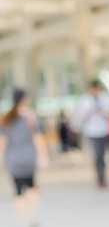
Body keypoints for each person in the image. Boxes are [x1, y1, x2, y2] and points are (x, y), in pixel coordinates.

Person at [0, 88, 49, 227]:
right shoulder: (31, 117)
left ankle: (22, 220)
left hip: (13, 159)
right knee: (33, 187)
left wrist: (1, 158)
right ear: (24, 99)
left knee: (17, 190)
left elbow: (2, 142)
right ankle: (32, 217)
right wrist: (43, 155)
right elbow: (38, 138)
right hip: (29, 158)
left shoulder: (7, 118)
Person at [71, 79, 109, 188]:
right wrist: (90, 111)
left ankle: (103, 177)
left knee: (102, 155)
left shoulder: (104, 97)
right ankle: (99, 178)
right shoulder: (85, 100)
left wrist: (101, 111)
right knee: (97, 155)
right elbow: (80, 116)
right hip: (92, 131)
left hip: (103, 130)